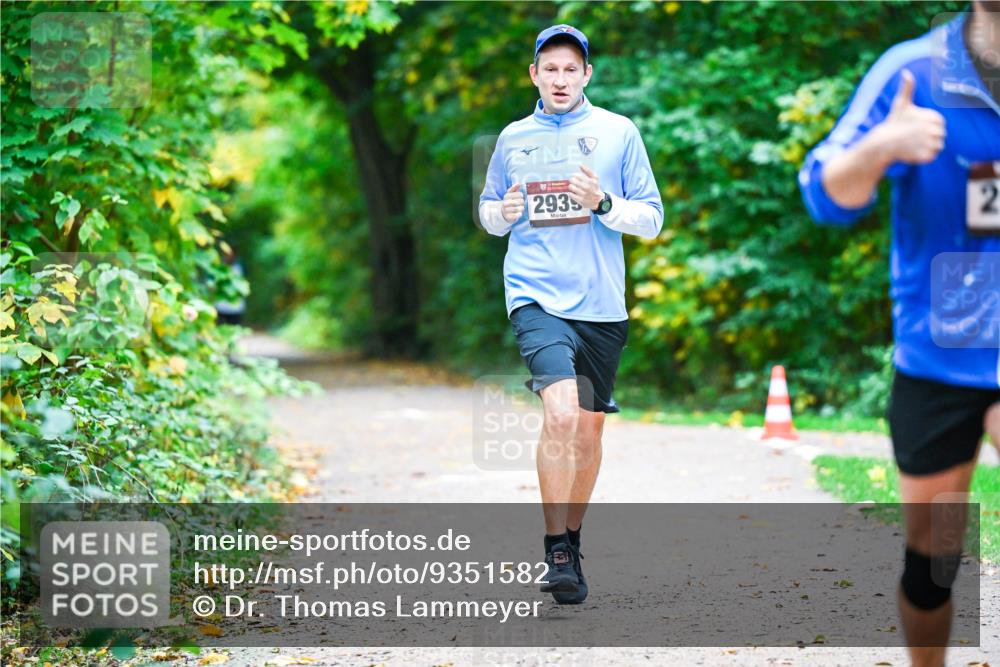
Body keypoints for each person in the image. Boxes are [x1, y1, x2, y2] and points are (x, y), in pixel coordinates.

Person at [799, 3, 999, 664]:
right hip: (939, 360)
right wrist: (884, 145)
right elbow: (825, 194)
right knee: (933, 561)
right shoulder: (912, 71)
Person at [477, 24, 663, 604]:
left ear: (587, 75)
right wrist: (502, 213)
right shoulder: (511, 138)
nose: (560, 78)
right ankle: (556, 546)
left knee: (588, 430)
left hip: (602, 305)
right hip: (535, 295)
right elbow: (487, 212)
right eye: (549, 68)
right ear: (534, 75)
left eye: (570, 69)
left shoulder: (617, 133)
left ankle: (573, 541)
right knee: (559, 415)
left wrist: (604, 203)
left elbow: (652, 219)